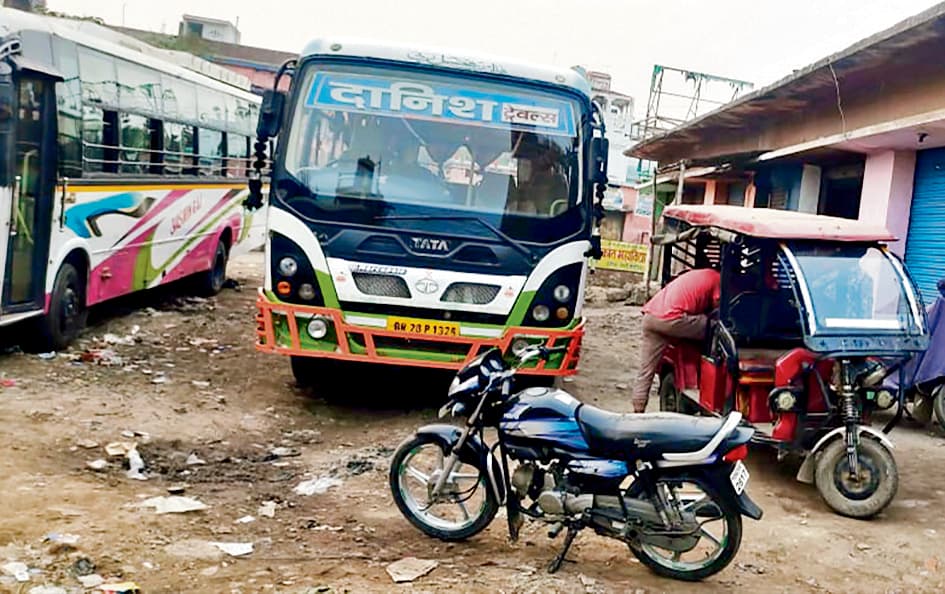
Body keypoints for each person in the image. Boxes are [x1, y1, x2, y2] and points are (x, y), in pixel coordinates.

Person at [631, 268, 721, 413]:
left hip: (651, 317)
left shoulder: (695, 275)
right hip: (672, 319)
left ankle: (637, 411)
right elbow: (719, 308)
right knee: (716, 326)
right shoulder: (717, 278)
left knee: (646, 371)